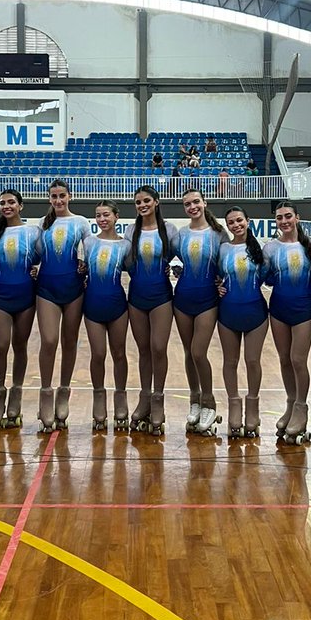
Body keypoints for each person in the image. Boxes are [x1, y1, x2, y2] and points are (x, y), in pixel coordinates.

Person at [34, 179, 91, 431]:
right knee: (48, 341)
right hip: (46, 289)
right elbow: (33, 254)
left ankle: (64, 392)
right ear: (49, 199)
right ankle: (46, 393)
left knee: (70, 341)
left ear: (70, 196)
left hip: (74, 289)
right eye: (54, 196)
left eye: (62, 196)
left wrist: (85, 265)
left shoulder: (80, 223)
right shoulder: (41, 225)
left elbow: (91, 251)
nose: (58, 200)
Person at [263, 203, 311, 444]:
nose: (284, 221)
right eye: (279, 217)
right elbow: (266, 276)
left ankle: (301, 407)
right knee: (284, 359)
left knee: (298, 360)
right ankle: (290, 403)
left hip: (305, 308)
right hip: (278, 309)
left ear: (297, 217)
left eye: (288, 216)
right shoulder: (271, 247)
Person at [172, 188, 226, 434]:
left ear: (205, 203)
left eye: (196, 202)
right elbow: (162, 257)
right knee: (187, 352)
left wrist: (223, 284)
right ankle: (194, 400)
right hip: (182, 299)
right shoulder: (181, 234)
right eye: (187, 204)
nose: (192, 207)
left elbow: (229, 262)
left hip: (208, 300)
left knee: (198, 352)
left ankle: (209, 402)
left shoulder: (218, 234)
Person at [125, 185, 177, 435]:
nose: (142, 205)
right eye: (138, 202)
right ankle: (144, 398)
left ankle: (158, 399)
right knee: (143, 350)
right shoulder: (130, 230)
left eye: (146, 200)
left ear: (156, 202)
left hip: (162, 298)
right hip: (136, 298)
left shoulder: (169, 230)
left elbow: (184, 257)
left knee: (158, 348)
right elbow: (124, 262)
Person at [0, 189, 39, 429]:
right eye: (2, 203)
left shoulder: (32, 231)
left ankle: (16, 391)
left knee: (20, 345)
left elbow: (40, 258)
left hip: (26, 296)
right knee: (1, 345)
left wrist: (36, 270)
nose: (6, 206)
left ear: (21, 205)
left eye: (11, 202)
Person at [217, 207, 269, 439]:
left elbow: (271, 276)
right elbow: (216, 275)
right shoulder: (224, 249)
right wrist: (215, 286)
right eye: (231, 222)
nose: (236, 225)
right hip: (227, 312)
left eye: (239, 220)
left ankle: (253, 407)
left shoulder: (261, 250)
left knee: (252, 360)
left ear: (248, 221)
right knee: (230, 361)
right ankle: (234, 407)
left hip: (256, 312)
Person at [83, 202, 130, 431]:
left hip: (117, 305)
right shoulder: (89, 242)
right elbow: (80, 268)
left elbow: (137, 269)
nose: (102, 219)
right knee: (98, 354)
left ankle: (120, 398)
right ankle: (98, 397)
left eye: (106, 215)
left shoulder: (125, 245)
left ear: (116, 217)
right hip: (92, 304)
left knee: (119, 353)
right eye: (98, 215)